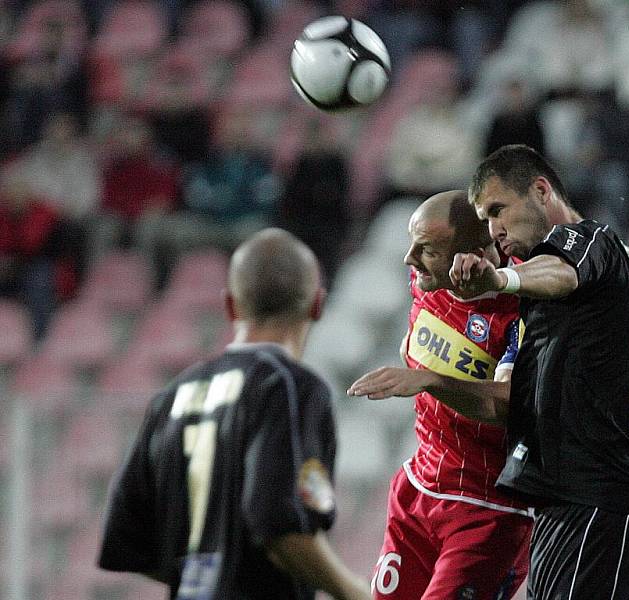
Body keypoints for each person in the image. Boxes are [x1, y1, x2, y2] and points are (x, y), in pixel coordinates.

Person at [446, 144, 629, 600]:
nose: (494, 230)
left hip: (601, 501)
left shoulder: (589, 239)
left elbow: (562, 272)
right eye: (485, 219)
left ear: (541, 191)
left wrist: (500, 280)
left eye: (498, 210)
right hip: (571, 504)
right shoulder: (615, 307)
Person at [97, 228, 371, 600]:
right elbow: (280, 525)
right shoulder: (290, 387)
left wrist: (204, 579)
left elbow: (127, 539)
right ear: (317, 305)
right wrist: (359, 595)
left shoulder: (174, 394)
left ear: (230, 306)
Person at [348, 190, 534, 600]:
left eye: (427, 250)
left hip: (486, 511)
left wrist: (432, 381)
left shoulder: (524, 310)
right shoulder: (425, 283)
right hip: (418, 491)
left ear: (475, 255)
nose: (409, 259)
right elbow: (417, 340)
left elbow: (506, 404)